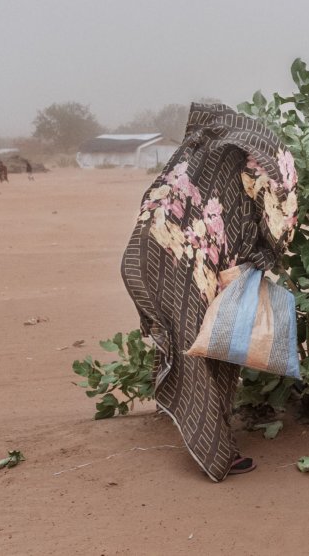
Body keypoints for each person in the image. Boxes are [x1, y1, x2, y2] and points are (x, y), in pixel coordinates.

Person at [122, 103, 298, 482]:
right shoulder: (256, 157)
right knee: (211, 352)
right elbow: (280, 215)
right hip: (188, 272)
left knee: (190, 349)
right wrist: (267, 253)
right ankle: (216, 453)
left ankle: (206, 437)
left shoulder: (191, 158)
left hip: (147, 264)